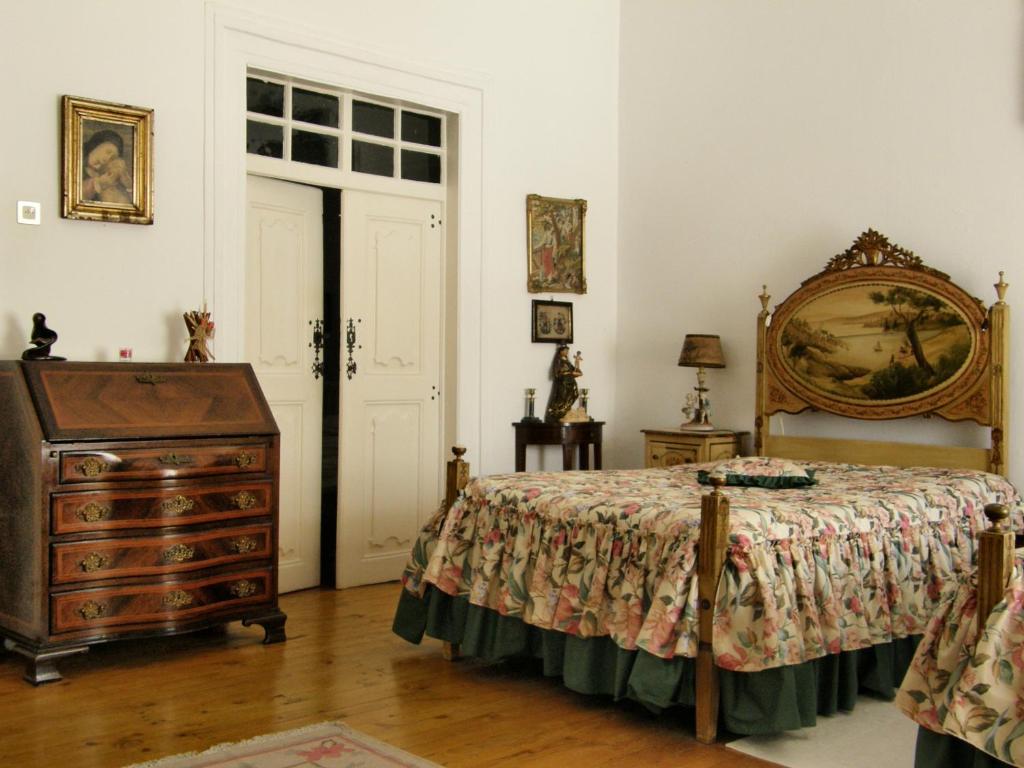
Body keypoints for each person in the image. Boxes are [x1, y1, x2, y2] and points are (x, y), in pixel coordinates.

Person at [81, 129, 132, 204]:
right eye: (108, 151)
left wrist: (128, 184)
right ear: (97, 144)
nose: (108, 158)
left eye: (113, 157)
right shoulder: (76, 161)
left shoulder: (106, 175)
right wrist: (98, 183)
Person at [544, 344, 582, 422]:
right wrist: (569, 373)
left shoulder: (567, 361)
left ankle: (566, 410)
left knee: (575, 394)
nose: (567, 352)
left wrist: (577, 362)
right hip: (563, 383)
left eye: (567, 350)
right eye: (565, 350)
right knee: (562, 398)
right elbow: (557, 373)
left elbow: (576, 371)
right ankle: (559, 413)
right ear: (560, 351)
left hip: (571, 382)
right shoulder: (558, 361)